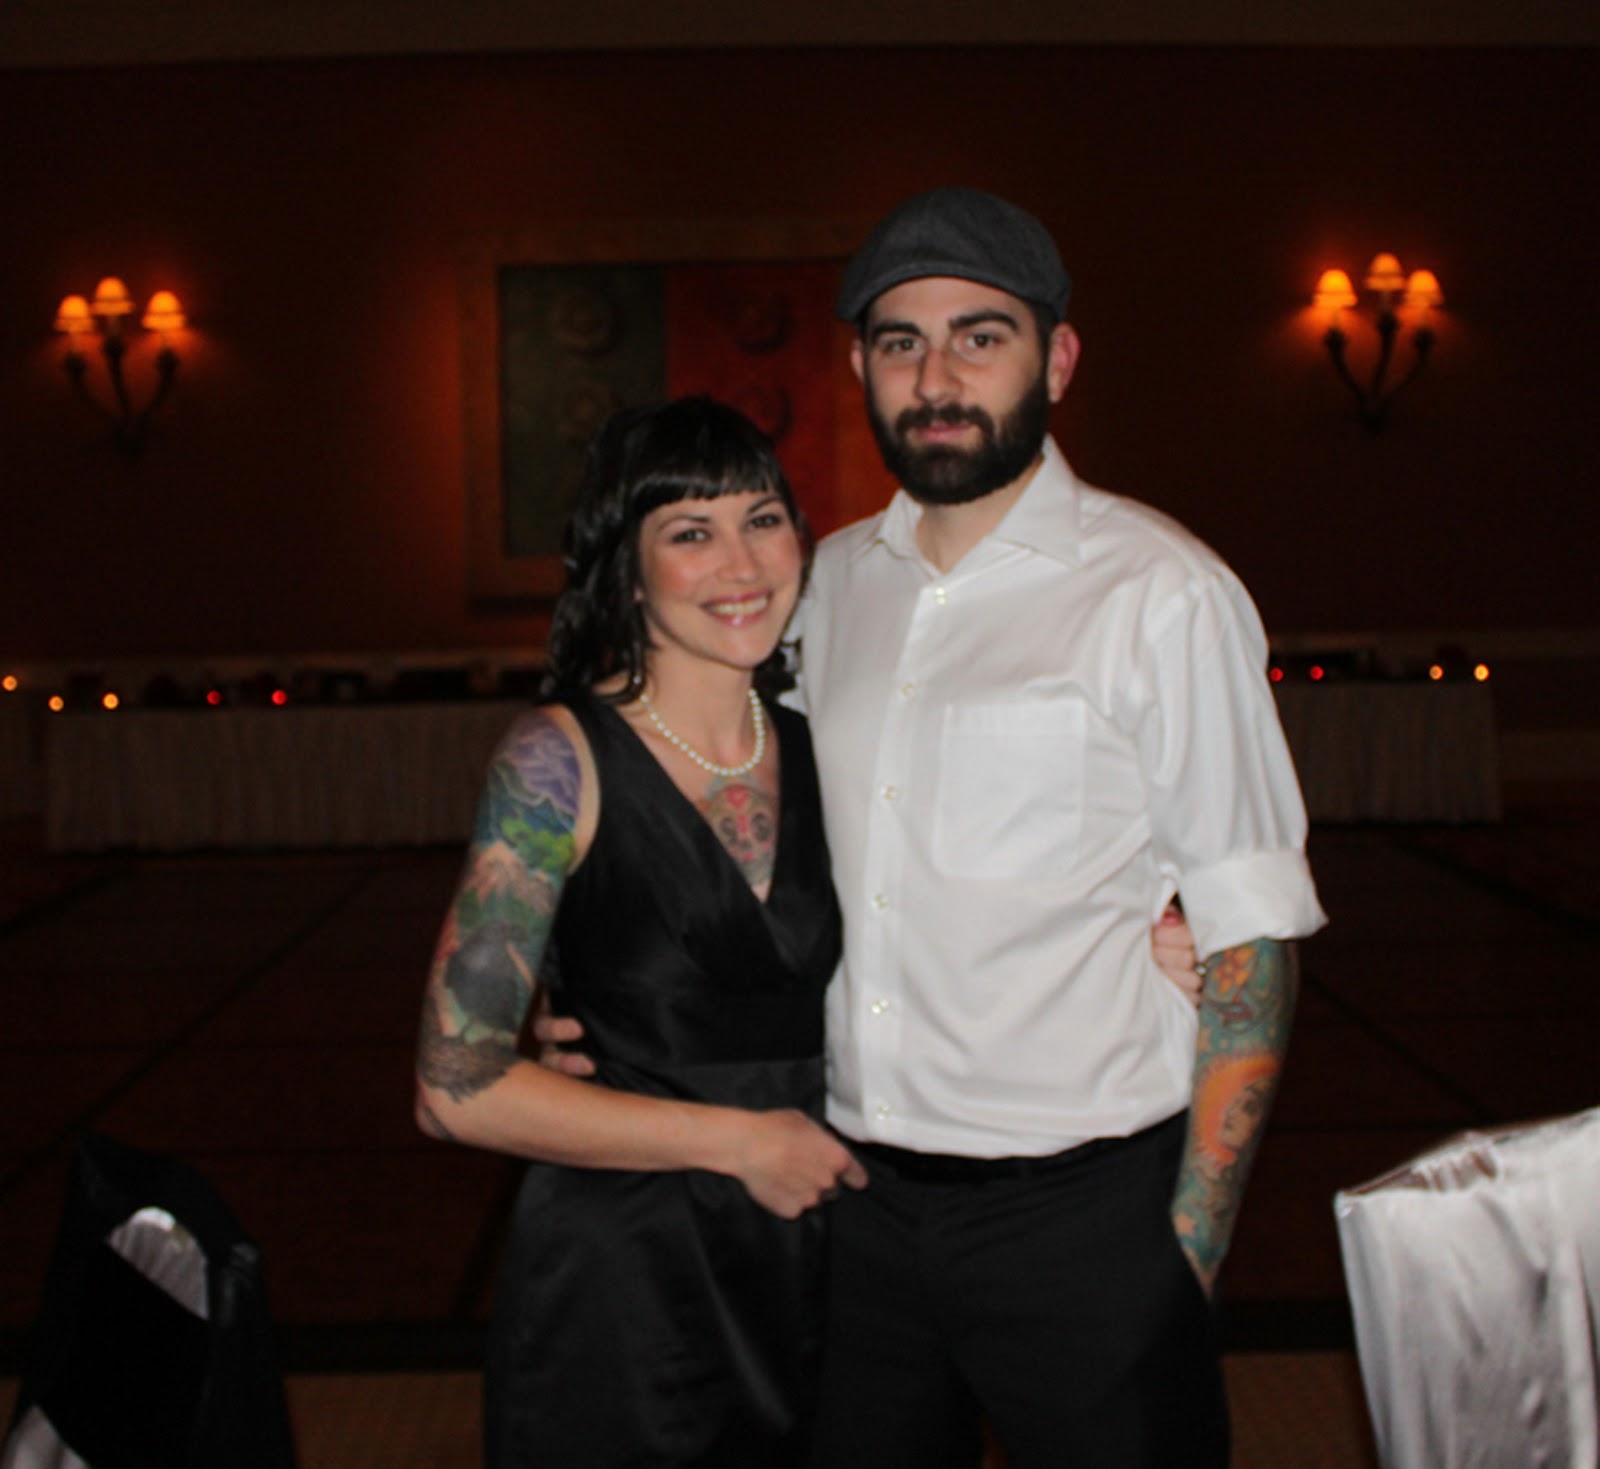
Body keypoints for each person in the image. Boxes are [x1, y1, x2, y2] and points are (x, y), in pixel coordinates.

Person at [790, 187, 1329, 1468]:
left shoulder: (1160, 590)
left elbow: (1250, 936)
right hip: (848, 1207)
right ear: (859, 368)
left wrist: (1185, 1250)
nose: (936, 378)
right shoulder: (823, 585)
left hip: (1084, 1218)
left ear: (1058, 358)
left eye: (979, 337)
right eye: (901, 341)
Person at [413, 396, 865, 1468]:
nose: (740, 563)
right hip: (627, 1269)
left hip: (828, 1249)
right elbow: (452, 1087)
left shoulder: (838, 744)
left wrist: (1143, 946)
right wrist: (739, 1142)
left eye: (762, 519)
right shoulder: (557, 760)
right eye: (691, 532)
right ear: (626, 569)